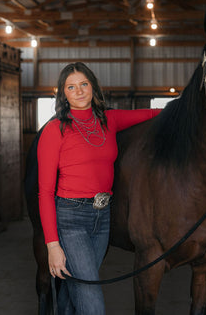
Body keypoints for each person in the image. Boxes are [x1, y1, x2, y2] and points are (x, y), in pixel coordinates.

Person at [37, 62, 160, 315]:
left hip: (102, 218)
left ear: (93, 87)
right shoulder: (54, 130)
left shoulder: (109, 120)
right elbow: (45, 192)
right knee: (90, 298)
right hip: (71, 218)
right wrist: (52, 246)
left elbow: (149, 114)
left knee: (75, 291)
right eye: (71, 87)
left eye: (84, 84)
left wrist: (184, 107)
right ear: (63, 93)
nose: (79, 91)